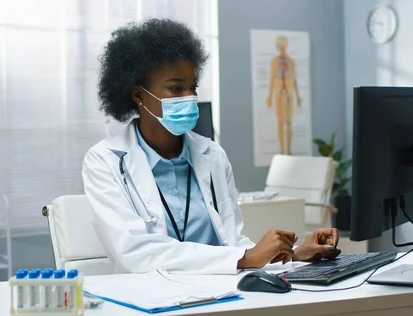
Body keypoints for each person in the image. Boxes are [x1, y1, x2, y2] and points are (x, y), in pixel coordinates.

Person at [82, 18, 340, 275]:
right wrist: (246, 257)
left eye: (192, 87)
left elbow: (232, 244)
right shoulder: (104, 161)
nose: (190, 97)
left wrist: (291, 256)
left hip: (220, 297)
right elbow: (136, 254)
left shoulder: (212, 155)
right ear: (138, 95)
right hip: (151, 300)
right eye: (175, 88)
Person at [266, 35, 302, 155]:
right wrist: (270, 96)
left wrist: (298, 96)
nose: (281, 48)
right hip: (279, 93)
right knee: (280, 122)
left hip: (289, 92)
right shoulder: (274, 61)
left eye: (283, 45)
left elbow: (294, 79)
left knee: (289, 121)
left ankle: (289, 150)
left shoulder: (291, 62)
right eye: (279, 45)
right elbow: (272, 79)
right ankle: (282, 150)